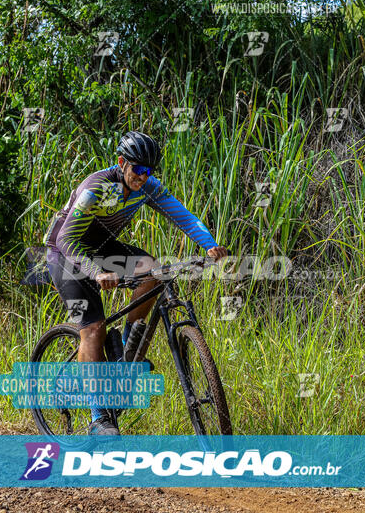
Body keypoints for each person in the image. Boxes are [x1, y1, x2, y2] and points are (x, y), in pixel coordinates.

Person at [44, 130, 228, 435]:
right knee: (93, 329)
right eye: (138, 169)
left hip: (100, 245)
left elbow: (183, 216)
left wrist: (209, 244)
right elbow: (66, 238)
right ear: (121, 163)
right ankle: (98, 418)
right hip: (65, 252)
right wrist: (95, 272)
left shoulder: (147, 188)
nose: (143, 177)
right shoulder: (98, 187)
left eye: (149, 171)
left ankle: (125, 355)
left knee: (152, 272)